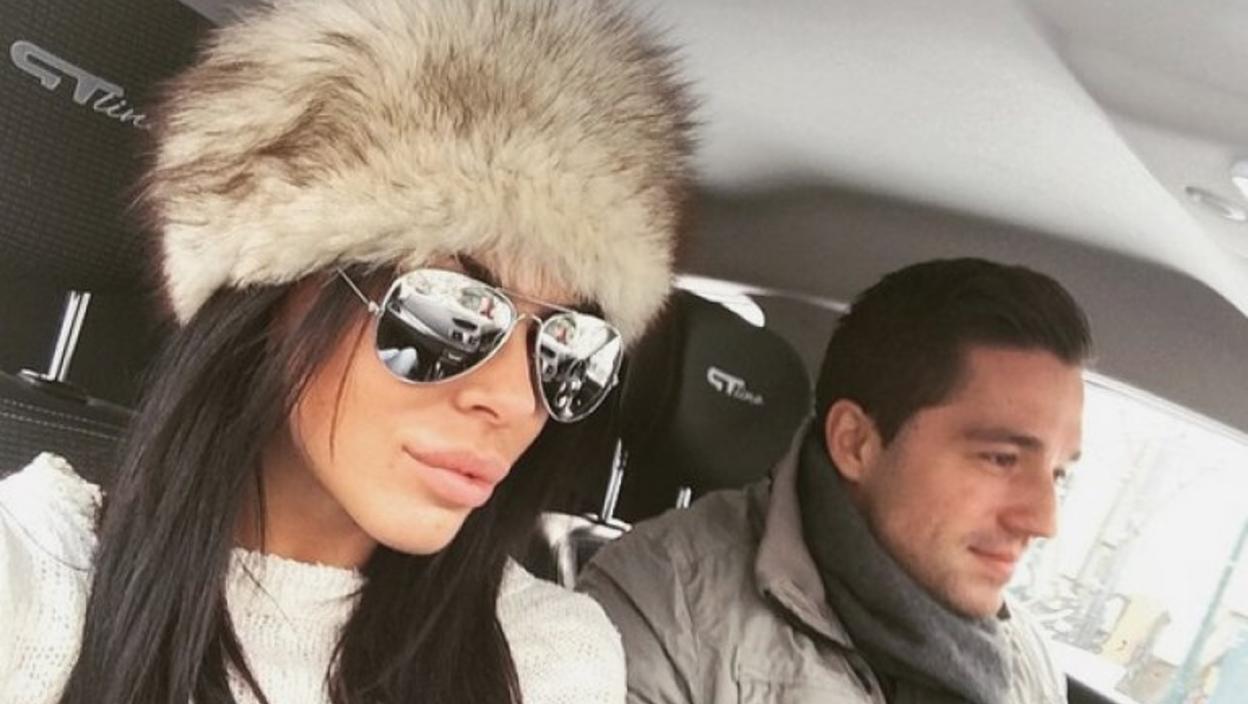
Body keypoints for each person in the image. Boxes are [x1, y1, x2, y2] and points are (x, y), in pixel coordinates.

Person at [0, 0, 695, 702]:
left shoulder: (550, 654)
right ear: (274, 290)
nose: (515, 400)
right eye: (450, 312)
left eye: (570, 350)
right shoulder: (35, 577)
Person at [579, 258, 1090, 704]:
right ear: (856, 443)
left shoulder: (1027, 660)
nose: (1044, 521)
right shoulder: (663, 607)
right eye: (1001, 459)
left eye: (1058, 474)